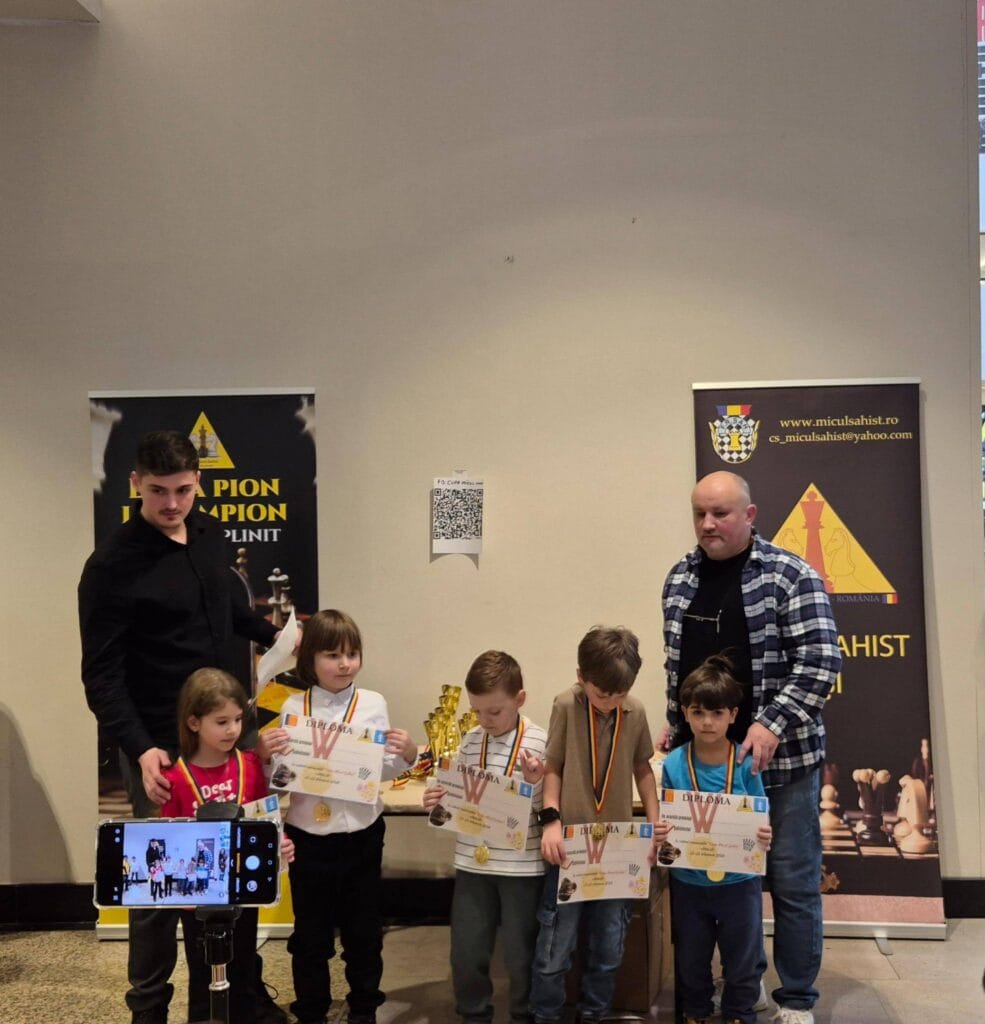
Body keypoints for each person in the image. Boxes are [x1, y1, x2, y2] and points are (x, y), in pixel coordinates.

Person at [78, 429, 287, 1024]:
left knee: (235, 874)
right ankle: (148, 1009)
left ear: (199, 482)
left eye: (183, 490)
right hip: (160, 746)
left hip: (228, 728)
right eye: (157, 491)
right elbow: (101, 676)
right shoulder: (110, 566)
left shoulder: (209, 533)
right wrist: (140, 748)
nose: (172, 504)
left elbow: (229, 612)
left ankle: (233, 996)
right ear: (135, 485)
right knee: (160, 887)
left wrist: (282, 638)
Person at [660, 471, 841, 1024]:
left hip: (781, 766)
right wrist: (672, 721)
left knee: (790, 883)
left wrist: (771, 724)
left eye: (720, 513)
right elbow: (678, 670)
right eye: (699, 513)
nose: (707, 524)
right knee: (719, 886)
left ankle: (797, 999)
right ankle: (744, 980)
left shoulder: (792, 576)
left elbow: (821, 664)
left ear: (750, 514)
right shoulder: (678, 579)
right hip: (702, 772)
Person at [258, 609, 419, 1024]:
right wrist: (267, 757)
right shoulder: (292, 705)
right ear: (310, 658)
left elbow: (379, 770)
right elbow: (280, 781)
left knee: (364, 933)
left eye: (352, 654)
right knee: (310, 936)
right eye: (332, 655)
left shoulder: (373, 704)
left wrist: (407, 755)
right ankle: (312, 1011)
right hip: (308, 837)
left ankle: (364, 1009)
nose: (345, 664)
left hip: (362, 834)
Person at [528, 626, 660, 1024]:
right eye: (603, 694)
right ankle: (545, 1015)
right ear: (581, 677)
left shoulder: (634, 711)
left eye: (621, 693)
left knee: (610, 945)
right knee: (555, 946)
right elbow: (553, 766)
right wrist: (551, 820)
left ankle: (594, 1013)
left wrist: (655, 823)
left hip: (617, 850)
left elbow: (642, 768)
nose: (611, 702)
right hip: (570, 846)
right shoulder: (566, 705)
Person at [161, 668, 295, 1024]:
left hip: (243, 889)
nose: (233, 730)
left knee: (244, 963)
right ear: (194, 722)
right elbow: (170, 843)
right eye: (221, 722)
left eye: (237, 719)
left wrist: (278, 845)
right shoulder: (175, 778)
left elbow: (265, 819)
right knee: (202, 970)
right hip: (197, 899)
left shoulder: (249, 765)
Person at [422, 650, 548, 1024]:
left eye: (494, 711)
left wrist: (535, 783)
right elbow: (454, 791)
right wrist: (435, 797)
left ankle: (524, 1014)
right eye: (477, 711)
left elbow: (547, 808)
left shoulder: (539, 741)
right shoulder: (471, 740)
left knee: (520, 951)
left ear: (519, 699)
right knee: (467, 948)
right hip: (472, 862)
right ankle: (473, 1013)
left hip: (521, 866)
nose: (484, 720)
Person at [654, 655, 773, 1024]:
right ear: (685, 714)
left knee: (742, 953)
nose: (707, 722)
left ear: (733, 715)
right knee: (691, 954)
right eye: (698, 712)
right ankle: (697, 1011)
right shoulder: (674, 763)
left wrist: (764, 832)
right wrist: (662, 831)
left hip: (739, 881)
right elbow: (668, 816)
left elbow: (760, 813)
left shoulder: (746, 763)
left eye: (717, 713)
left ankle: (739, 1011)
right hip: (689, 881)